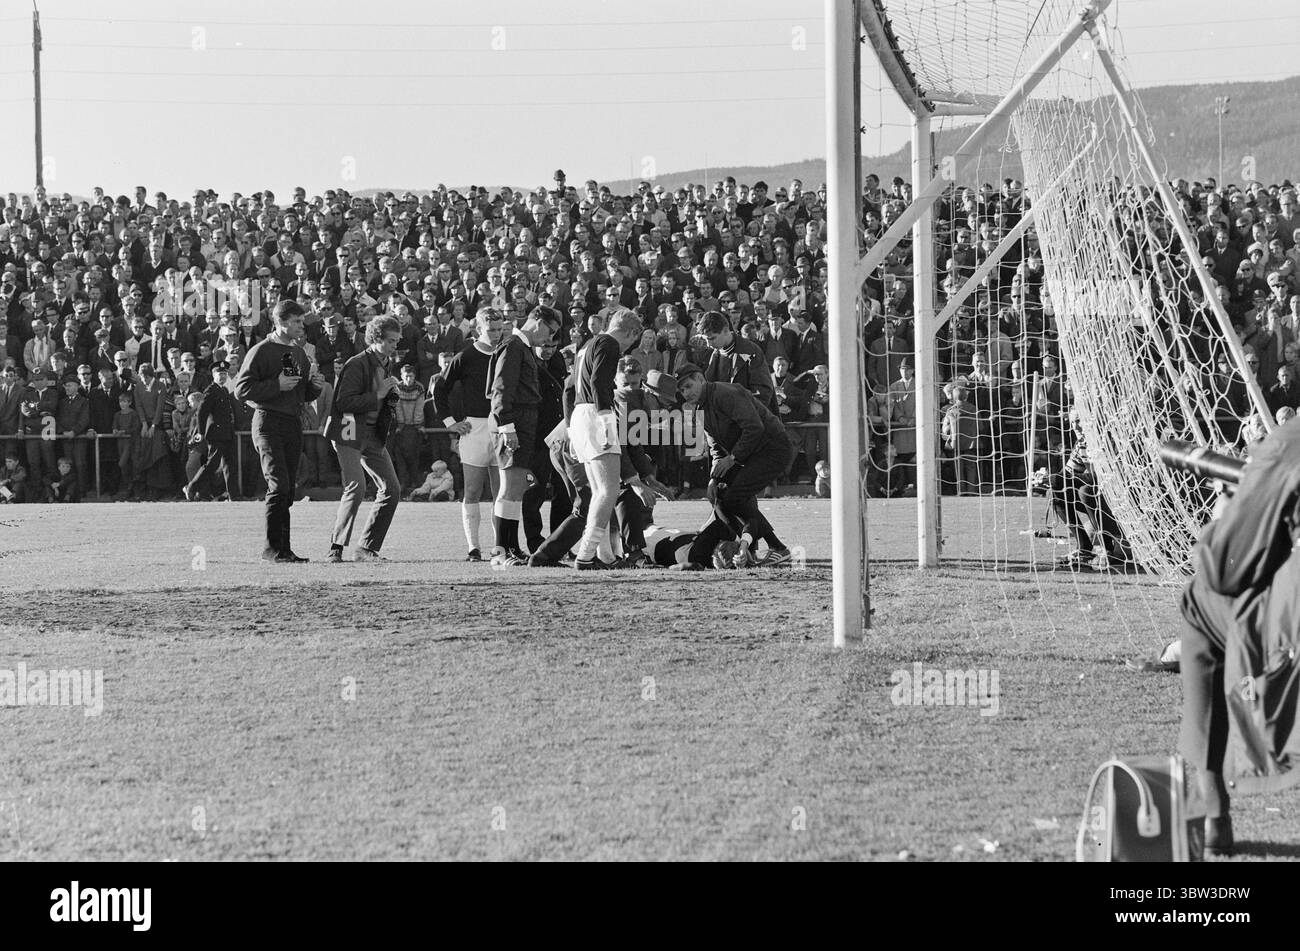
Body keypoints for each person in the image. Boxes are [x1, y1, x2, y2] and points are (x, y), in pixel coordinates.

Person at [1178, 416, 1300, 858]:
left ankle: (1213, 812)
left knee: (1199, 601)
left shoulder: (1291, 442)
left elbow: (1224, 568)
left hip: (1290, 645)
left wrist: (1230, 510)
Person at [676, 364, 796, 569]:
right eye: (682, 390)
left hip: (773, 448)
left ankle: (776, 548)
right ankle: (751, 549)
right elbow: (714, 447)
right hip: (750, 454)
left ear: (701, 378)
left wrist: (731, 459)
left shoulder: (725, 393)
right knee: (718, 497)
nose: (686, 393)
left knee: (734, 497)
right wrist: (714, 477)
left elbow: (754, 427)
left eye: (688, 386)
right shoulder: (699, 409)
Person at [233, 300, 324, 562]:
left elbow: (301, 392)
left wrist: (314, 387)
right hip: (267, 422)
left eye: (301, 321)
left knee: (288, 488)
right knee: (278, 484)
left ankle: (284, 549)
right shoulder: (261, 350)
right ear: (281, 322)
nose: (301, 326)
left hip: (292, 423)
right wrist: (276, 385)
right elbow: (241, 390)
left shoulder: (299, 354)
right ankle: (273, 549)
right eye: (296, 321)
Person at [567, 308, 644, 568]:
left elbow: (570, 387)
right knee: (608, 490)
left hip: (580, 414)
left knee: (600, 491)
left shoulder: (588, 343)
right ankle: (586, 555)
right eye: (634, 339)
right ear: (632, 332)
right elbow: (600, 382)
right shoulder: (609, 343)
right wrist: (607, 420)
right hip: (595, 412)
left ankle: (604, 555)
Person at [324, 314, 403, 563]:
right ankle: (335, 548)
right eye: (390, 341)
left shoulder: (385, 362)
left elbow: (379, 399)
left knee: (392, 489)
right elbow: (343, 402)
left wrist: (391, 395)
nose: (394, 346)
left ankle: (366, 548)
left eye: (397, 341)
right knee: (356, 487)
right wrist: (379, 394)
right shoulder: (356, 364)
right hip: (349, 428)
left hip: (372, 433)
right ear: (376, 338)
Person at [432, 310, 503, 561]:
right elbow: (440, 389)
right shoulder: (467, 356)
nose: (496, 334)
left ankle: (501, 547)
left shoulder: (508, 353)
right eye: (490, 329)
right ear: (477, 330)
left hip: (503, 427)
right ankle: (473, 547)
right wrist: (451, 422)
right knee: (472, 490)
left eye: (499, 328)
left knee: (501, 492)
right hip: (474, 427)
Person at [485, 308, 550, 566]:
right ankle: (501, 551)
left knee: (515, 489)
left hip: (520, 422)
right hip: (513, 422)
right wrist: (506, 426)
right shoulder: (514, 345)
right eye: (550, 330)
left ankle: (510, 547)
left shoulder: (518, 346)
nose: (548, 338)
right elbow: (501, 388)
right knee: (509, 488)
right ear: (538, 323)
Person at [182, 360, 237, 501]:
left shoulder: (223, 390)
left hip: (226, 433)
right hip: (216, 433)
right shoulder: (211, 390)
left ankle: (234, 496)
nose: (223, 376)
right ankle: (192, 487)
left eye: (224, 373)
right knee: (212, 464)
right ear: (213, 375)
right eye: (220, 374)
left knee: (230, 465)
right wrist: (201, 432)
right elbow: (202, 412)